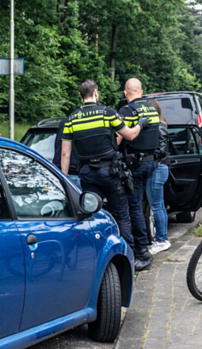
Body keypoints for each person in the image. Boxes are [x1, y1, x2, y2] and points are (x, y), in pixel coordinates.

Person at [61, 79, 151, 270]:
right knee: (122, 215)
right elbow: (129, 135)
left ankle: (94, 260)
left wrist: (64, 180)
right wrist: (141, 124)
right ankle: (128, 261)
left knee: (92, 217)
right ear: (96, 93)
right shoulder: (107, 113)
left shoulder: (71, 119)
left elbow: (65, 154)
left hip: (87, 174)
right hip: (110, 171)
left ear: (80, 95)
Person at [117, 78, 161, 268]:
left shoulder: (126, 111)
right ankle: (143, 245)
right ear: (141, 91)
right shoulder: (151, 110)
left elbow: (118, 139)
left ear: (126, 93)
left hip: (134, 164)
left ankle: (141, 251)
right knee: (141, 204)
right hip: (150, 163)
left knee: (133, 207)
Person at [145, 99, 171, 254]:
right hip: (160, 167)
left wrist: (146, 155)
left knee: (156, 206)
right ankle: (162, 239)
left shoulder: (159, 128)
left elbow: (161, 150)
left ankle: (161, 240)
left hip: (157, 168)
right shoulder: (162, 125)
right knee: (159, 205)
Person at [53, 118, 81, 189]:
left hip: (55, 171)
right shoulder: (82, 123)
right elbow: (65, 153)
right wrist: (65, 178)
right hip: (73, 172)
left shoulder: (65, 122)